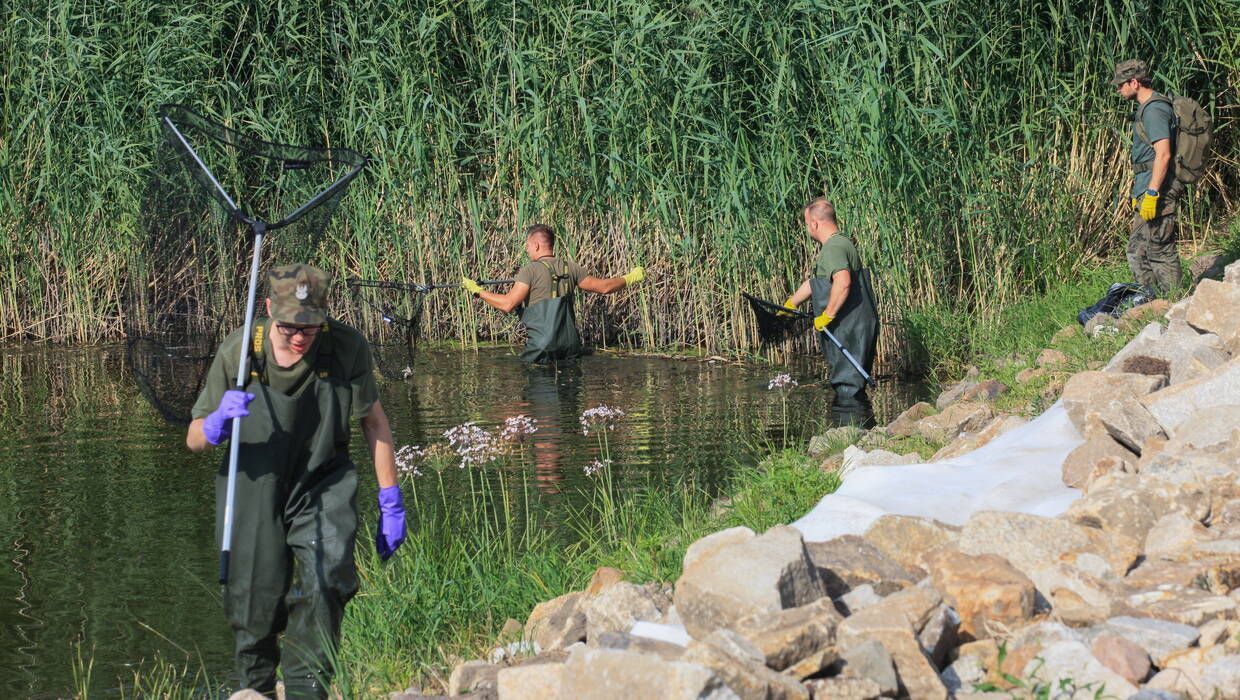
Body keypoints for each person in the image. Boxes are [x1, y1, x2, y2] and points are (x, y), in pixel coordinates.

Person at [186, 264, 405, 699]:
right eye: (289, 327)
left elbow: (375, 423)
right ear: (268, 310)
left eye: (311, 326)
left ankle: (308, 690)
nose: (301, 336)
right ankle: (257, 690)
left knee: (326, 580)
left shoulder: (345, 348)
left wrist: (390, 499)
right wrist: (215, 425)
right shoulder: (240, 351)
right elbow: (193, 439)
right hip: (253, 488)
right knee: (252, 602)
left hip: (322, 484)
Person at [462, 223, 645, 363]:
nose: (526, 249)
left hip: (542, 349)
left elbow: (508, 304)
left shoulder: (529, 270)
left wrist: (478, 291)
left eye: (527, 245)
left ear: (536, 245)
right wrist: (630, 278)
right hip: (570, 347)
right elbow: (604, 287)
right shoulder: (570, 268)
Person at [781, 198, 879, 419]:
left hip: (849, 327)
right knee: (850, 381)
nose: (807, 229)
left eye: (807, 224)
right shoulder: (839, 244)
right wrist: (791, 303)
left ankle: (851, 436)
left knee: (848, 384)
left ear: (815, 223)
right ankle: (859, 434)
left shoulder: (833, 248)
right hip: (853, 325)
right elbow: (816, 282)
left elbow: (843, 282)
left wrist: (827, 315)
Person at [1114, 58, 1182, 295]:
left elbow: (1163, 155)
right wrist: (1140, 192)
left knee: (1160, 249)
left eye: (1121, 84)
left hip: (1159, 191)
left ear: (1134, 82)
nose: (1118, 89)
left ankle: (1173, 302)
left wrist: (1152, 193)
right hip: (1147, 189)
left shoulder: (1154, 110)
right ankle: (1152, 301)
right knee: (1138, 250)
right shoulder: (1147, 108)